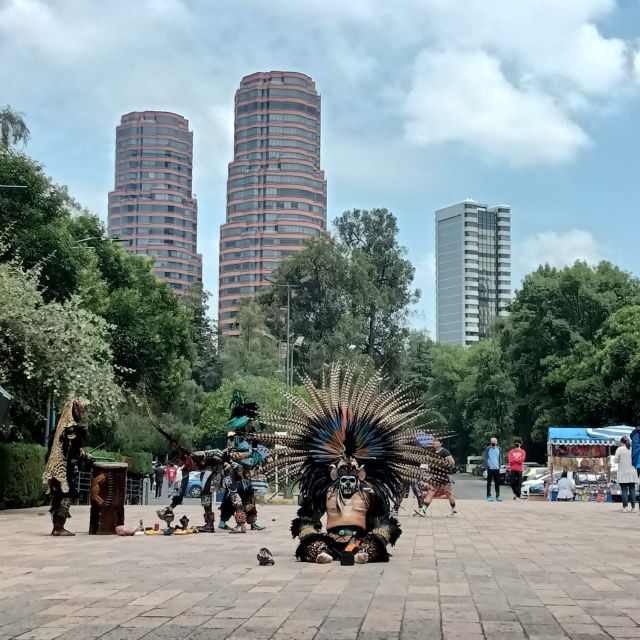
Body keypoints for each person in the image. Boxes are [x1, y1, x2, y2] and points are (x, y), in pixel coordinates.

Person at [258, 363, 449, 564]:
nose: (347, 476)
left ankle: (358, 553)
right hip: (329, 542)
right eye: (343, 471)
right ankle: (324, 553)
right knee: (310, 542)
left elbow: (384, 523)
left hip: (360, 541)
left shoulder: (370, 494)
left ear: (361, 474)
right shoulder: (325, 492)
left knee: (377, 539)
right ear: (334, 473)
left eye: (352, 471)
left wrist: (378, 536)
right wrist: (308, 535)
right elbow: (306, 520)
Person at [42, 397, 91, 536]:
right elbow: (71, 450)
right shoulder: (70, 429)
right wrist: (83, 456)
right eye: (83, 409)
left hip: (54, 469)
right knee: (66, 496)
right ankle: (59, 528)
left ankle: (57, 527)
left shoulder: (60, 427)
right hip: (61, 469)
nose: (84, 413)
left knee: (58, 497)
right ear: (75, 409)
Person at [415, 437, 457, 516]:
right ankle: (423, 510)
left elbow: (452, 463)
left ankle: (454, 509)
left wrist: (442, 465)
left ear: (441, 443)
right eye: (433, 441)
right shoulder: (432, 451)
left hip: (442, 477)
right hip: (434, 476)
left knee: (448, 493)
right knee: (431, 492)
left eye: (436, 441)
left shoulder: (445, 452)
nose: (434, 442)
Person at [614, 436, 636, 512]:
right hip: (633, 472)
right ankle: (633, 507)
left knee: (624, 490)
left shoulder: (620, 449)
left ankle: (625, 507)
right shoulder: (633, 449)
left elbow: (615, 460)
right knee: (632, 490)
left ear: (621, 442)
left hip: (623, 472)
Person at [484, 437, 502, 502]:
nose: (493, 442)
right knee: (489, 483)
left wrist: (499, 465)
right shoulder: (488, 449)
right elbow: (485, 458)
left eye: (494, 441)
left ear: (496, 442)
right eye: (492, 441)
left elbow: (500, 457)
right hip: (490, 468)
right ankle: (489, 495)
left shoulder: (499, 448)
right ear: (490, 442)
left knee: (497, 483)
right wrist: (488, 466)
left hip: (497, 468)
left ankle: (498, 495)